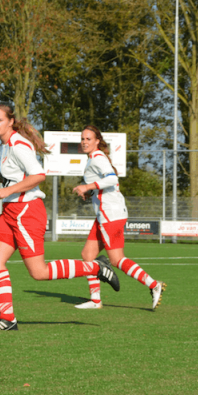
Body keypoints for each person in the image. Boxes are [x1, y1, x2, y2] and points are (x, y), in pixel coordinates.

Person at [0, 104, 120, 331]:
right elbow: (17, 175)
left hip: (26, 212)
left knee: (39, 273)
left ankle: (94, 268)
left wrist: (6, 191)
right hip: (10, 211)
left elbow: (38, 175)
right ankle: (7, 319)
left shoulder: (18, 145)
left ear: (11, 122)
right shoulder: (5, 146)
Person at [72, 125, 165, 310]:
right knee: (87, 255)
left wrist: (87, 187)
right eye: (82, 139)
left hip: (110, 215)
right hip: (104, 215)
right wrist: (90, 192)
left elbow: (112, 178)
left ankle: (154, 285)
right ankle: (96, 300)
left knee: (116, 260)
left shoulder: (97, 157)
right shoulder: (93, 159)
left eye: (88, 139)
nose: (84, 142)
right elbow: (105, 184)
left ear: (97, 141)